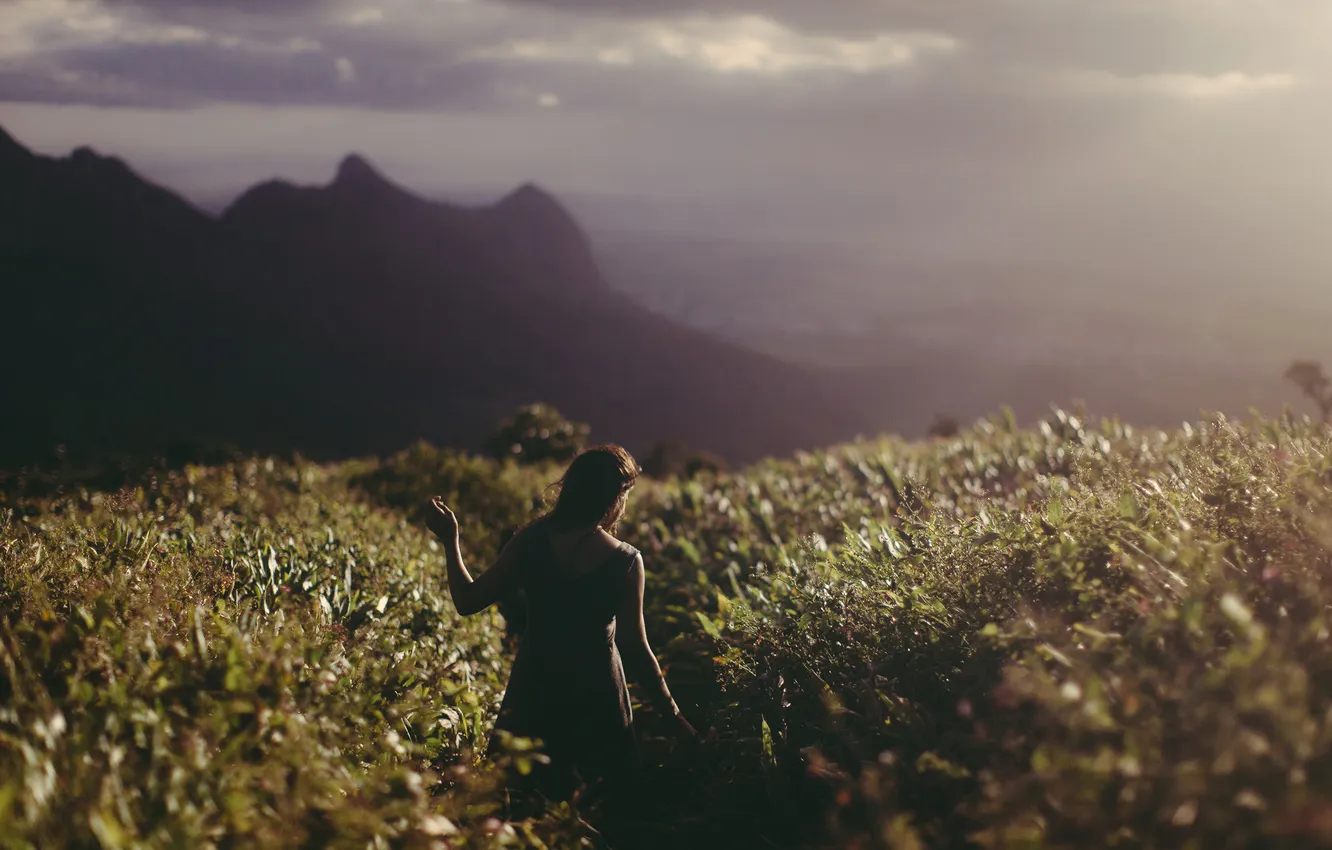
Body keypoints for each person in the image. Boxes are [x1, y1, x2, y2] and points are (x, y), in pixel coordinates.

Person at [425, 443, 698, 807]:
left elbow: (468, 600)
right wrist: (675, 718)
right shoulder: (626, 561)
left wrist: (451, 541)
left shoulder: (531, 541)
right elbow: (636, 650)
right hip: (599, 698)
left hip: (534, 690)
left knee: (522, 809)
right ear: (615, 497)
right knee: (597, 814)